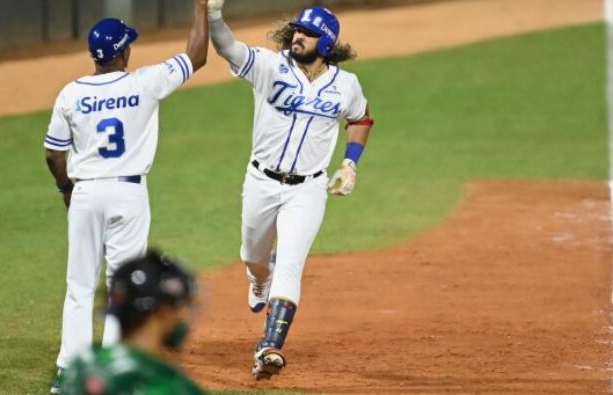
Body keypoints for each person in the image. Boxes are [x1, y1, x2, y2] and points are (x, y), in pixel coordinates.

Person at [206, 1, 375, 380]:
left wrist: (350, 163)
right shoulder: (269, 66)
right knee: (253, 255)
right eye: (298, 30)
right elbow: (228, 48)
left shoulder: (345, 85)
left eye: (309, 33)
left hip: (308, 190)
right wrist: (214, 17)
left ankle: (269, 346)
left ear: (326, 42)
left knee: (291, 265)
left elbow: (361, 117)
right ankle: (258, 276)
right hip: (261, 182)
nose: (299, 36)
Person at [43, 2, 208, 392]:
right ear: (123, 52)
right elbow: (196, 55)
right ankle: (115, 367)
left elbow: (53, 153)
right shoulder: (145, 82)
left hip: (85, 194)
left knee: (79, 286)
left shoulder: (71, 93)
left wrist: (65, 188)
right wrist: (201, 8)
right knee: (123, 284)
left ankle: (69, 367)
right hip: (127, 194)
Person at [59, 250, 204, 395]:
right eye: (177, 307)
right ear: (163, 310)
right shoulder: (175, 387)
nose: (180, 316)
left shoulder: (81, 368)